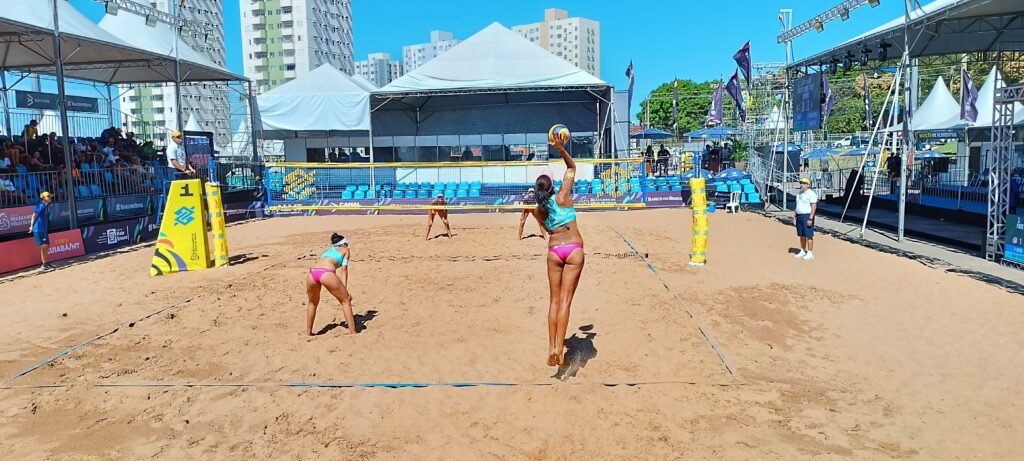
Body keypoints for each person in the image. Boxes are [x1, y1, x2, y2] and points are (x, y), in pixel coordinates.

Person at [532, 134, 585, 367]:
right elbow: (572, 168)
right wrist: (561, 149)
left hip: (554, 252)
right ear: (553, 186)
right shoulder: (563, 195)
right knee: (565, 302)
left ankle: (551, 347)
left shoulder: (538, 210)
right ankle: (561, 349)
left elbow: (547, 230)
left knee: (553, 301)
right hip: (574, 249)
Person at [305, 233, 355, 336]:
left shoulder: (327, 252)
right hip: (326, 273)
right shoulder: (345, 250)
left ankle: (308, 333)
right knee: (346, 301)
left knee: (312, 303)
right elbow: (344, 269)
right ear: (344, 244)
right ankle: (353, 332)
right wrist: (344, 288)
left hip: (312, 273)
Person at [29, 191, 54, 271]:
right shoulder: (40, 205)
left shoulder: (45, 206)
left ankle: (45, 263)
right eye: (48, 196)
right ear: (43, 198)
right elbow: (34, 216)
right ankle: (44, 264)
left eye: (50, 196)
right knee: (44, 246)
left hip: (43, 229)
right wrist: (31, 226)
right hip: (39, 229)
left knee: (46, 246)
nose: (50, 198)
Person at [793, 178, 817, 261]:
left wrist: (810, 218)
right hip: (799, 216)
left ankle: (810, 253)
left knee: (808, 235)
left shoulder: (811, 194)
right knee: (802, 235)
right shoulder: (799, 193)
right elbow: (797, 206)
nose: (801, 185)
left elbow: (813, 207)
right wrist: (794, 217)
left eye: (803, 183)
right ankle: (803, 250)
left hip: (807, 216)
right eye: (801, 183)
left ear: (808, 185)